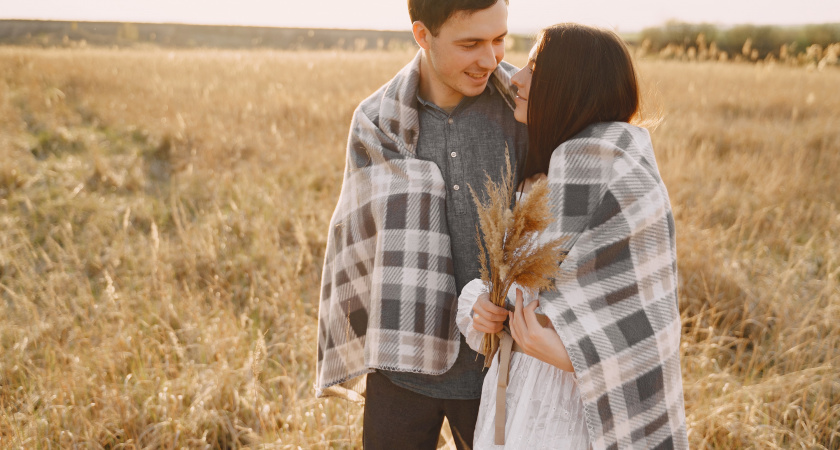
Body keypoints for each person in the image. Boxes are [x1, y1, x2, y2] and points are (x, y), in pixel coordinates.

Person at [458, 23, 689, 449]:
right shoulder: (544, 174)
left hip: (576, 413)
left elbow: (648, 325)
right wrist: (479, 303)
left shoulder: (618, 177)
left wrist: (566, 354)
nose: (514, 78)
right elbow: (516, 287)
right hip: (514, 398)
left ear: (571, 86)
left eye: (534, 68)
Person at [314, 0, 527, 448]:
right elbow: (359, 242)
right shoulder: (376, 122)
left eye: (499, 39)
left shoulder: (523, 110)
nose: (490, 59)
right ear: (422, 35)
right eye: (470, 43)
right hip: (401, 364)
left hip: (501, 367)